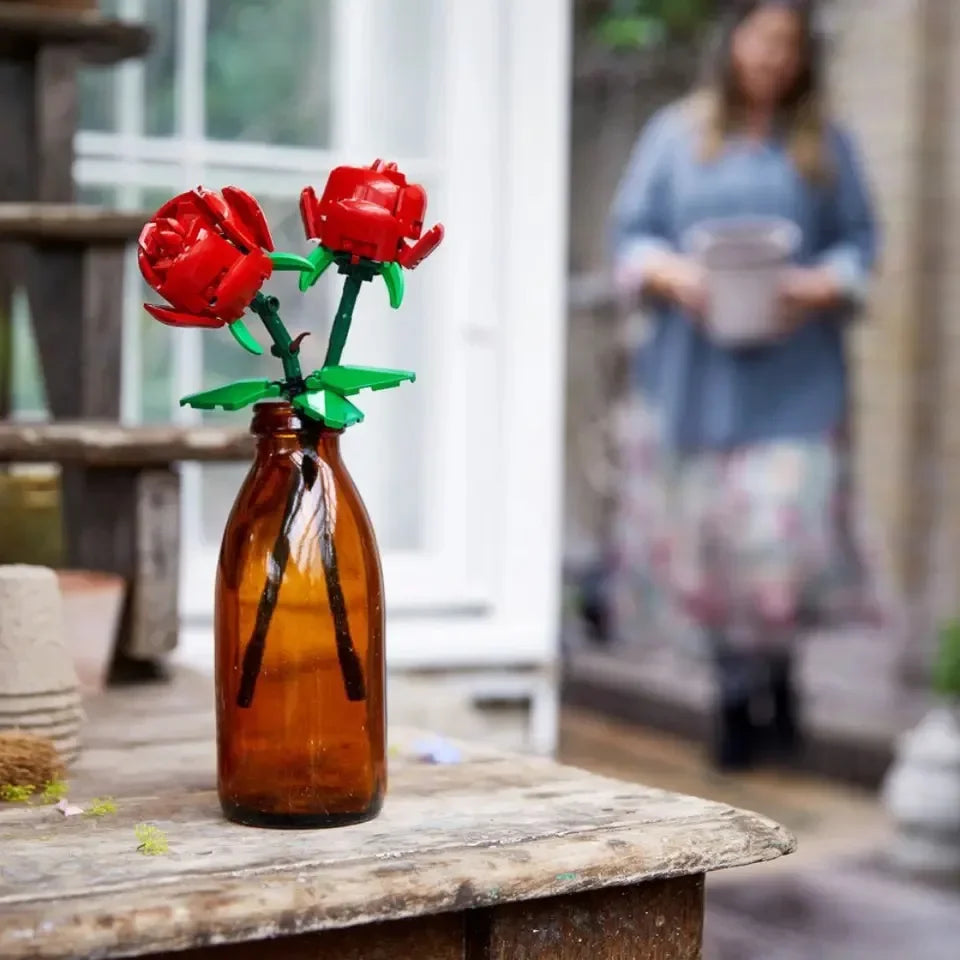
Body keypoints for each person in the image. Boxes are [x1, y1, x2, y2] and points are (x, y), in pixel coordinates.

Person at [609, 0, 884, 770]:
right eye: (763, 40)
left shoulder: (825, 144)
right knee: (715, 545)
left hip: (795, 384)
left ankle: (779, 679)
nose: (773, 58)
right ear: (734, 42)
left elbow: (863, 244)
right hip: (697, 379)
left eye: (788, 46)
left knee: (779, 541)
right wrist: (673, 274)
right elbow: (629, 236)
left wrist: (815, 286)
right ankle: (736, 697)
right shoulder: (674, 135)